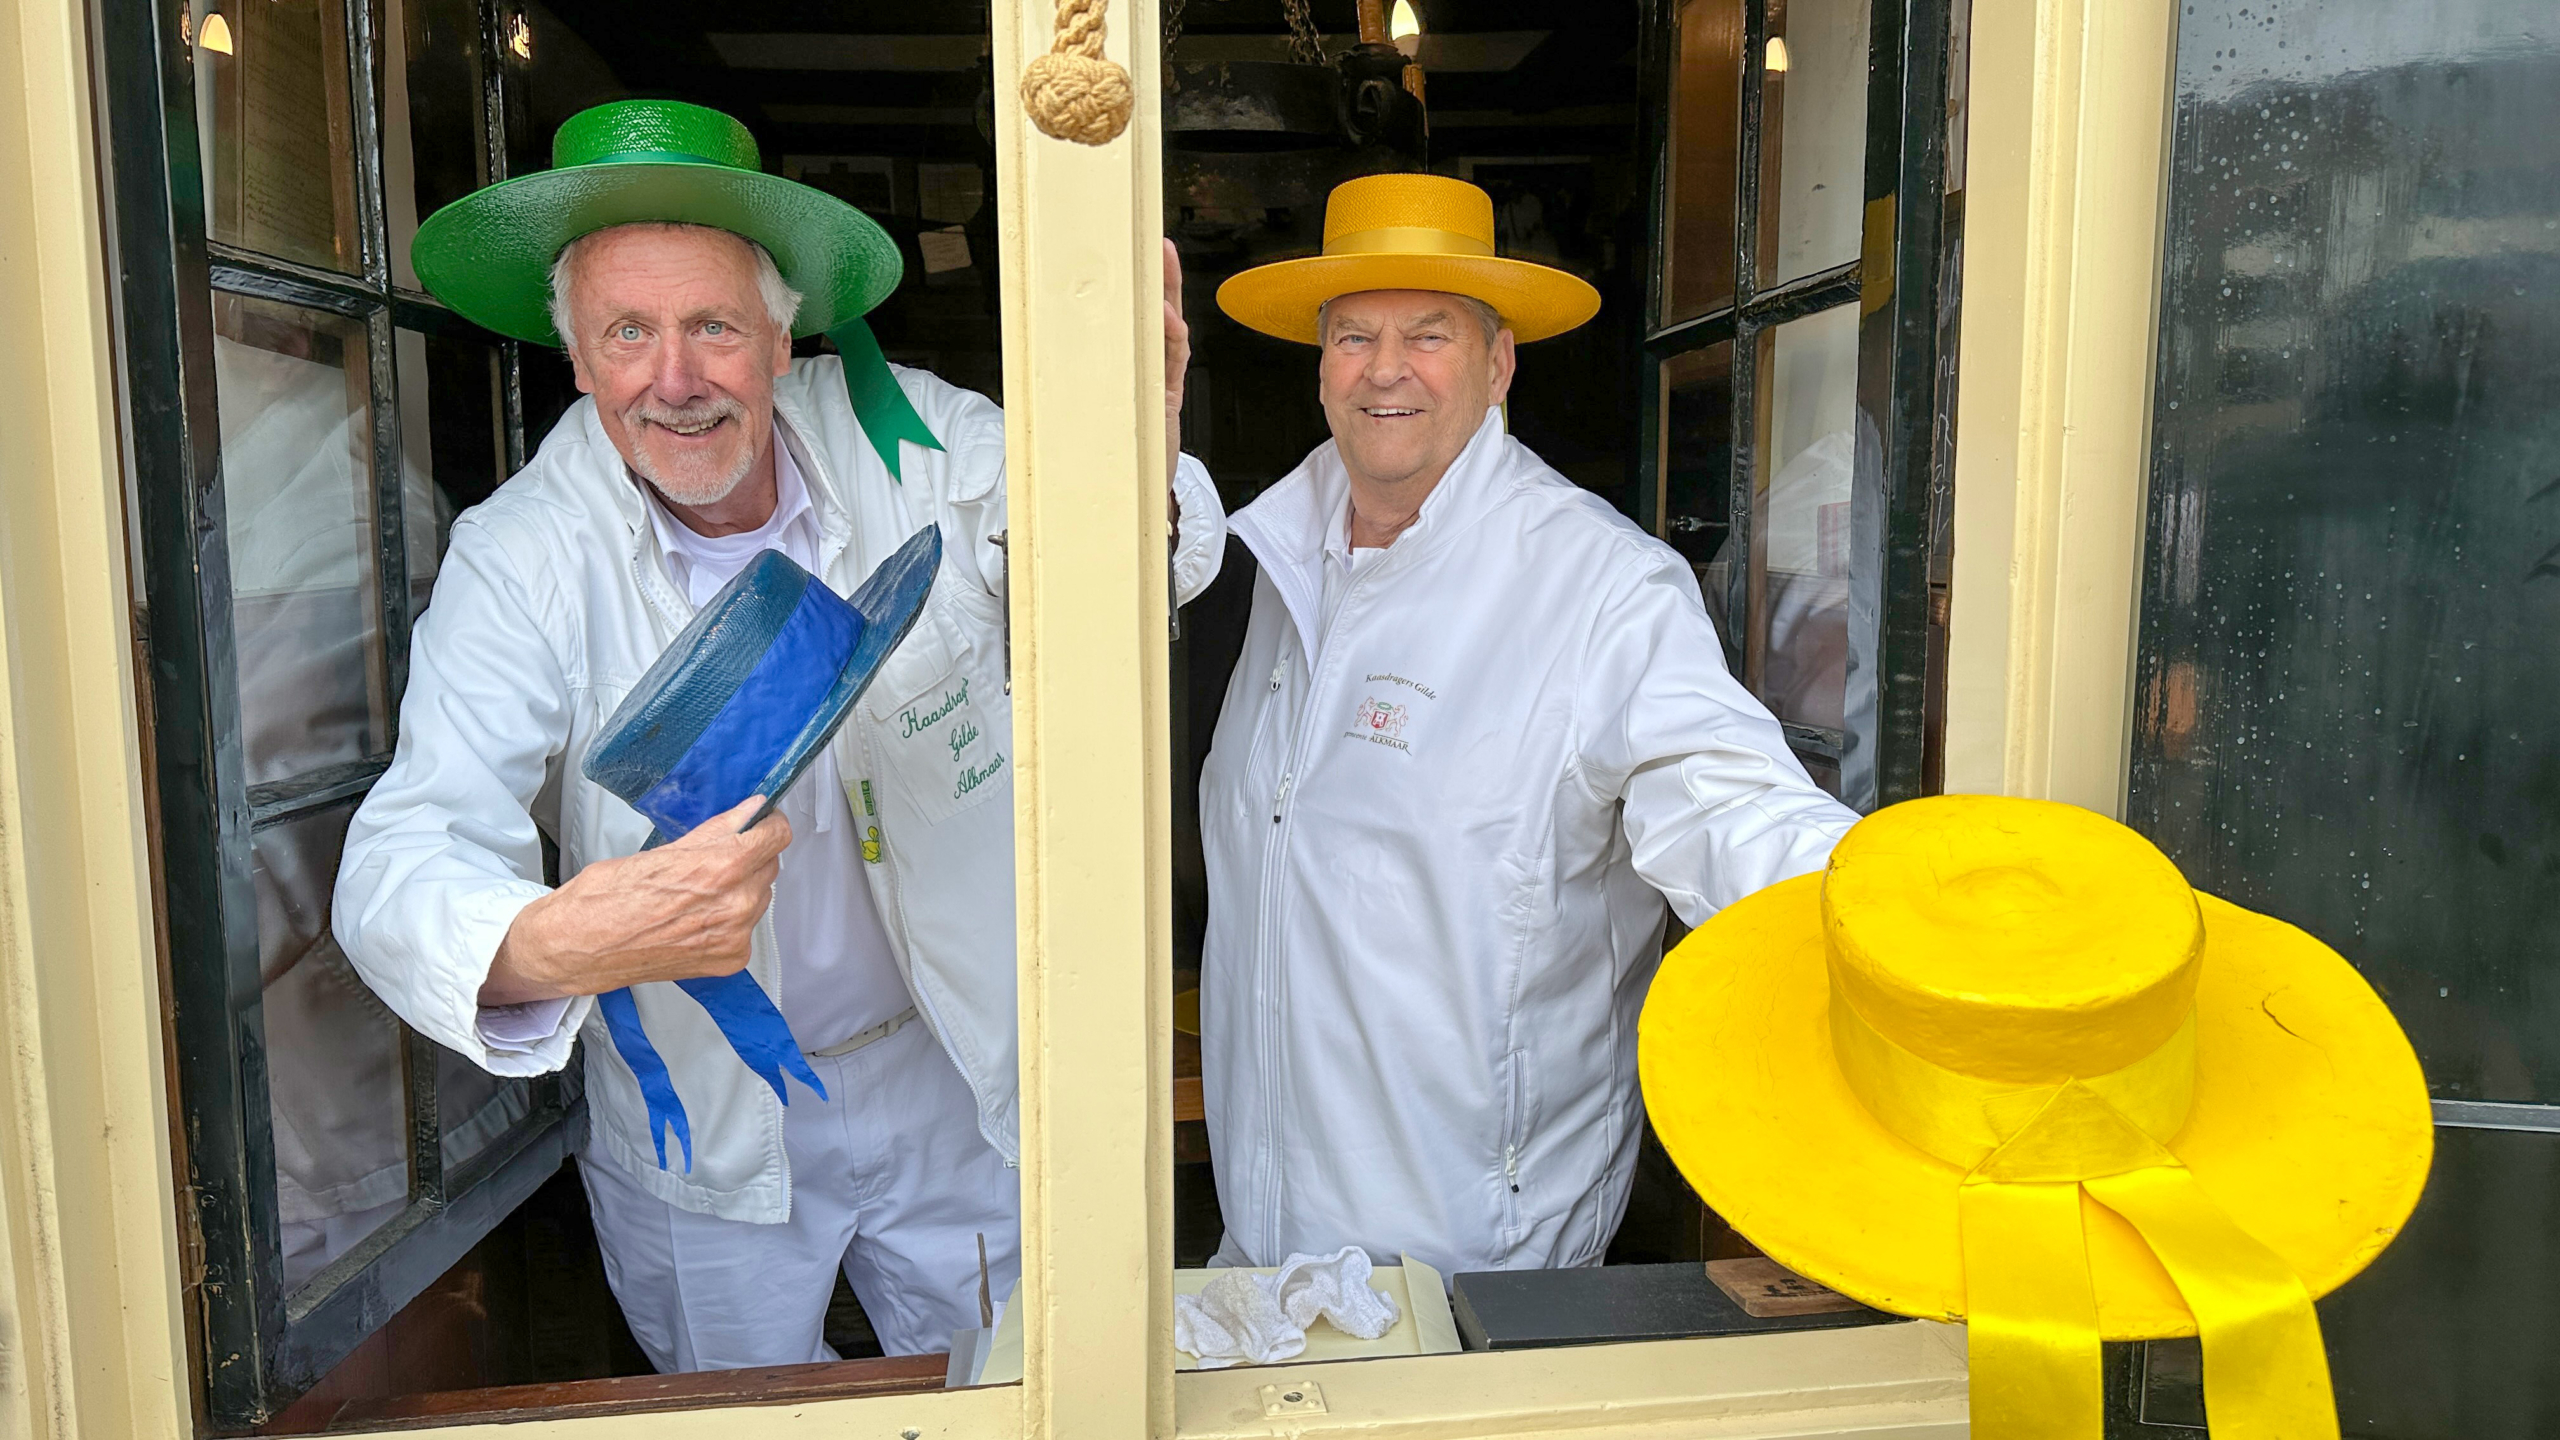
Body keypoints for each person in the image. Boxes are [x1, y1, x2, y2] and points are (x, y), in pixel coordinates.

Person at [332, 99, 1224, 1371]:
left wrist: (1123, 459)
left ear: (782, 334)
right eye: (628, 333)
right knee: (742, 1413)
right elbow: (406, 850)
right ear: (575, 358)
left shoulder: (909, 435)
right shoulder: (523, 551)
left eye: (712, 329)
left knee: (1024, 1386)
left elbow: (1110, 569)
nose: (674, 379)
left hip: (944, 1072)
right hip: (699, 1114)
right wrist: (558, 936)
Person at [1198, 173, 1855, 1278]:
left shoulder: (1598, 584)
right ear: (1320, 367)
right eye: (1353, 335)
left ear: (1500, 363)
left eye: (1429, 334)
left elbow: (1724, 802)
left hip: (1475, 1260)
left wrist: (1897, 919)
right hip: (1265, 1234)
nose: (1386, 369)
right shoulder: (1282, 559)